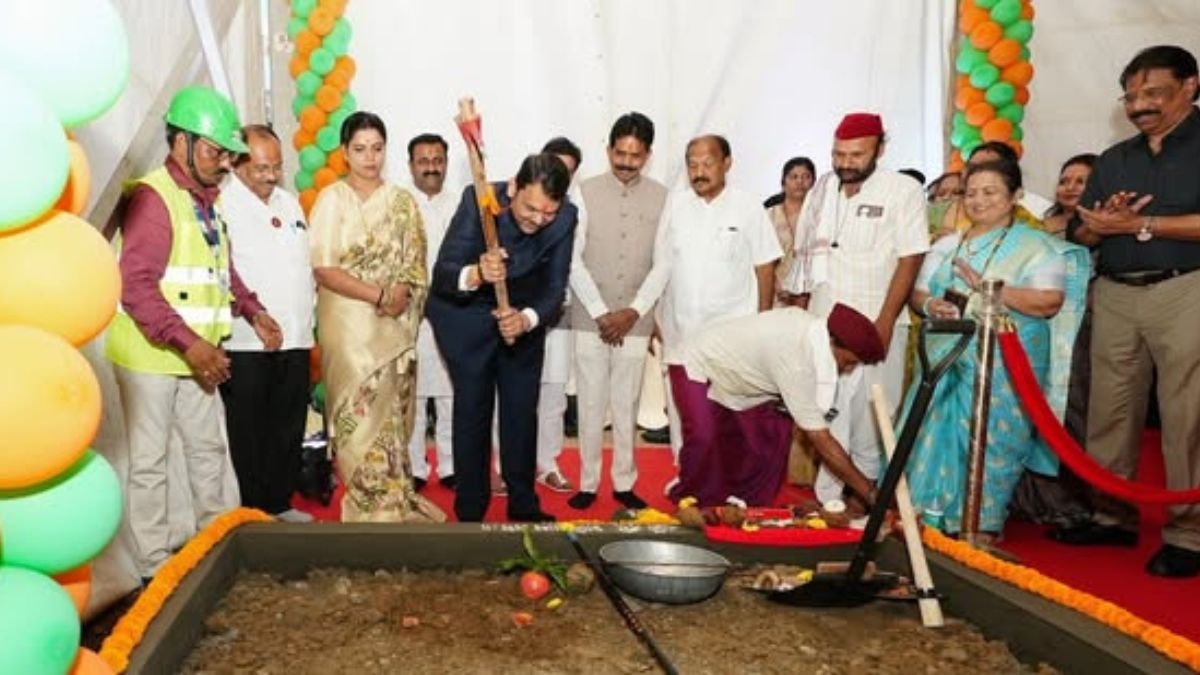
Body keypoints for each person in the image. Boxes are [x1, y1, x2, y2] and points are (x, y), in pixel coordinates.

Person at [106, 85, 282, 577]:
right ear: (180, 142)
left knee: (207, 452)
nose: (225, 163)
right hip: (150, 356)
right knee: (150, 463)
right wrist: (191, 344)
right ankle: (154, 568)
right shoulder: (153, 199)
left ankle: (216, 547)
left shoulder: (207, 200)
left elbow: (217, 268)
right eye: (214, 151)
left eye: (228, 154)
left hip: (195, 356)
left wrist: (252, 309)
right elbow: (135, 288)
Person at [1057, 45, 1200, 578]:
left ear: (1190, 86)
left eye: (1153, 93)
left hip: (1185, 288)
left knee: (1187, 414)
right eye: (1132, 95)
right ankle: (1109, 514)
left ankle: (1189, 532)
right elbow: (1082, 230)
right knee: (1109, 409)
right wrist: (1103, 223)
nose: (1140, 105)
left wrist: (1143, 226)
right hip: (1115, 289)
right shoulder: (1116, 157)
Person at [904, 159, 1089, 541]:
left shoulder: (1038, 247)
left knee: (996, 440)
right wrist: (929, 306)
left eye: (990, 192)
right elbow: (920, 291)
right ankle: (928, 515)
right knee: (931, 429)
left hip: (1005, 363)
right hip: (946, 356)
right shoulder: (947, 244)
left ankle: (982, 521)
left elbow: (1048, 302)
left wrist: (989, 290)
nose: (978, 201)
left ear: (1015, 196)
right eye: (970, 192)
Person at [786, 112, 928, 510]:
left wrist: (883, 324)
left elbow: (910, 257)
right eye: (838, 153)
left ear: (880, 149)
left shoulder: (902, 190)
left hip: (876, 321)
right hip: (824, 325)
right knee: (827, 413)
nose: (845, 162)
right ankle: (829, 503)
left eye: (856, 154)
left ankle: (863, 501)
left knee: (872, 416)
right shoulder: (822, 190)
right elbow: (805, 258)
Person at [426, 153, 577, 523]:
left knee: (521, 411)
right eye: (531, 208)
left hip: (521, 315)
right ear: (513, 187)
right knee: (473, 409)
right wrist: (477, 272)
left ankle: (523, 503)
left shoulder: (566, 219)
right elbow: (444, 273)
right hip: (469, 318)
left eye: (548, 213)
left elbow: (555, 288)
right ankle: (471, 508)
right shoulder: (477, 200)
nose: (539, 220)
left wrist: (525, 320)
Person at [309, 111, 443, 523]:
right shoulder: (332, 199)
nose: (370, 158)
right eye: (360, 149)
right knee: (357, 414)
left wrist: (399, 293)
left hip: (393, 323)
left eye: (377, 148)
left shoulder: (401, 201)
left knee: (391, 416)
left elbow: (415, 264)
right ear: (345, 153)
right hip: (346, 324)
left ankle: (395, 500)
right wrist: (377, 292)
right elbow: (324, 268)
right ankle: (369, 506)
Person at [636, 134, 781, 499]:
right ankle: (698, 490)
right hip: (683, 336)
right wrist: (654, 312)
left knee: (733, 424)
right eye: (692, 164)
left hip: (734, 339)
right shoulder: (676, 205)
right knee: (698, 425)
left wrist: (761, 327)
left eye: (708, 163)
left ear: (727, 163)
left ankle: (734, 491)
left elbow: (766, 268)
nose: (699, 171)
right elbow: (661, 264)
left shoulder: (748, 208)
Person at [672, 303, 886, 506]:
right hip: (697, 362)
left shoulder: (812, 331)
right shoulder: (795, 358)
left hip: (740, 383)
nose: (847, 370)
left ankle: (741, 507)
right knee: (704, 437)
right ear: (833, 342)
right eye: (848, 363)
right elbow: (821, 439)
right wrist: (870, 493)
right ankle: (690, 504)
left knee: (768, 445)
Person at [568, 113, 668, 510]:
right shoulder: (584, 191)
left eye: (635, 155)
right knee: (591, 403)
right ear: (608, 150)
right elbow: (573, 259)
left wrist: (633, 311)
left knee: (626, 403)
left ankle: (624, 481)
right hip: (589, 318)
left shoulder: (663, 196)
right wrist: (599, 312)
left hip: (636, 319)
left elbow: (663, 264)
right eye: (620, 153)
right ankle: (588, 482)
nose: (626, 162)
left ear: (648, 155)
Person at [218, 124, 314, 523]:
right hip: (246, 341)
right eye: (261, 168)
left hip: (295, 336)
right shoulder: (222, 205)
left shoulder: (290, 203)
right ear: (237, 164)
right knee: (249, 430)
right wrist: (253, 314)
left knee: (288, 425)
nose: (271, 176)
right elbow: (222, 272)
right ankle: (252, 509)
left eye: (276, 167)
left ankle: (279, 501)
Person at [404, 133, 459, 491]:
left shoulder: (460, 204)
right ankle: (416, 468)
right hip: (411, 314)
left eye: (437, 160)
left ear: (446, 163)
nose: (431, 168)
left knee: (451, 395)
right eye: (423, 161)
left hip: (453, 312)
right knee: (415, 396)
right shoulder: (401, 205)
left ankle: (451, 466)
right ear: (411, 166)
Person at [767, 157, 816, 306]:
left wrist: (807, 293)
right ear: (783, 183)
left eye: (806, 177)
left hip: (812, 296)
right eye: (794, 177)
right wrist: (776, 287)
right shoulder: (769, 216)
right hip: (775, 294)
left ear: (814, 183)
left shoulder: (821, 217)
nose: (800, 182)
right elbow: (762, 260)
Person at [1043, 154, 1098, 239]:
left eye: (1080, 182)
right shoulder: (1037, 225)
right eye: (1063, 182)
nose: (1069, 188)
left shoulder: (1099, 230)